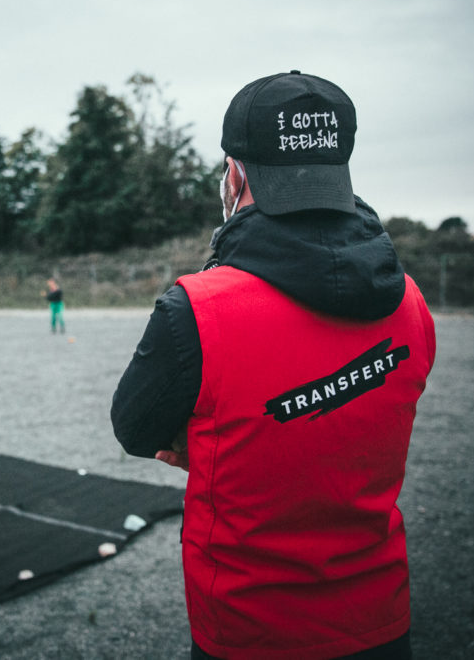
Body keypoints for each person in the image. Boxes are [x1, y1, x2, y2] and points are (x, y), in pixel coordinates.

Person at [111, 71, 436, 660]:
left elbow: (135, 429)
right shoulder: (410, 300)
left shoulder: (197, 310)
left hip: (248, 624)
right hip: (380, 617)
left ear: (234, 174)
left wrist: (220, 440)